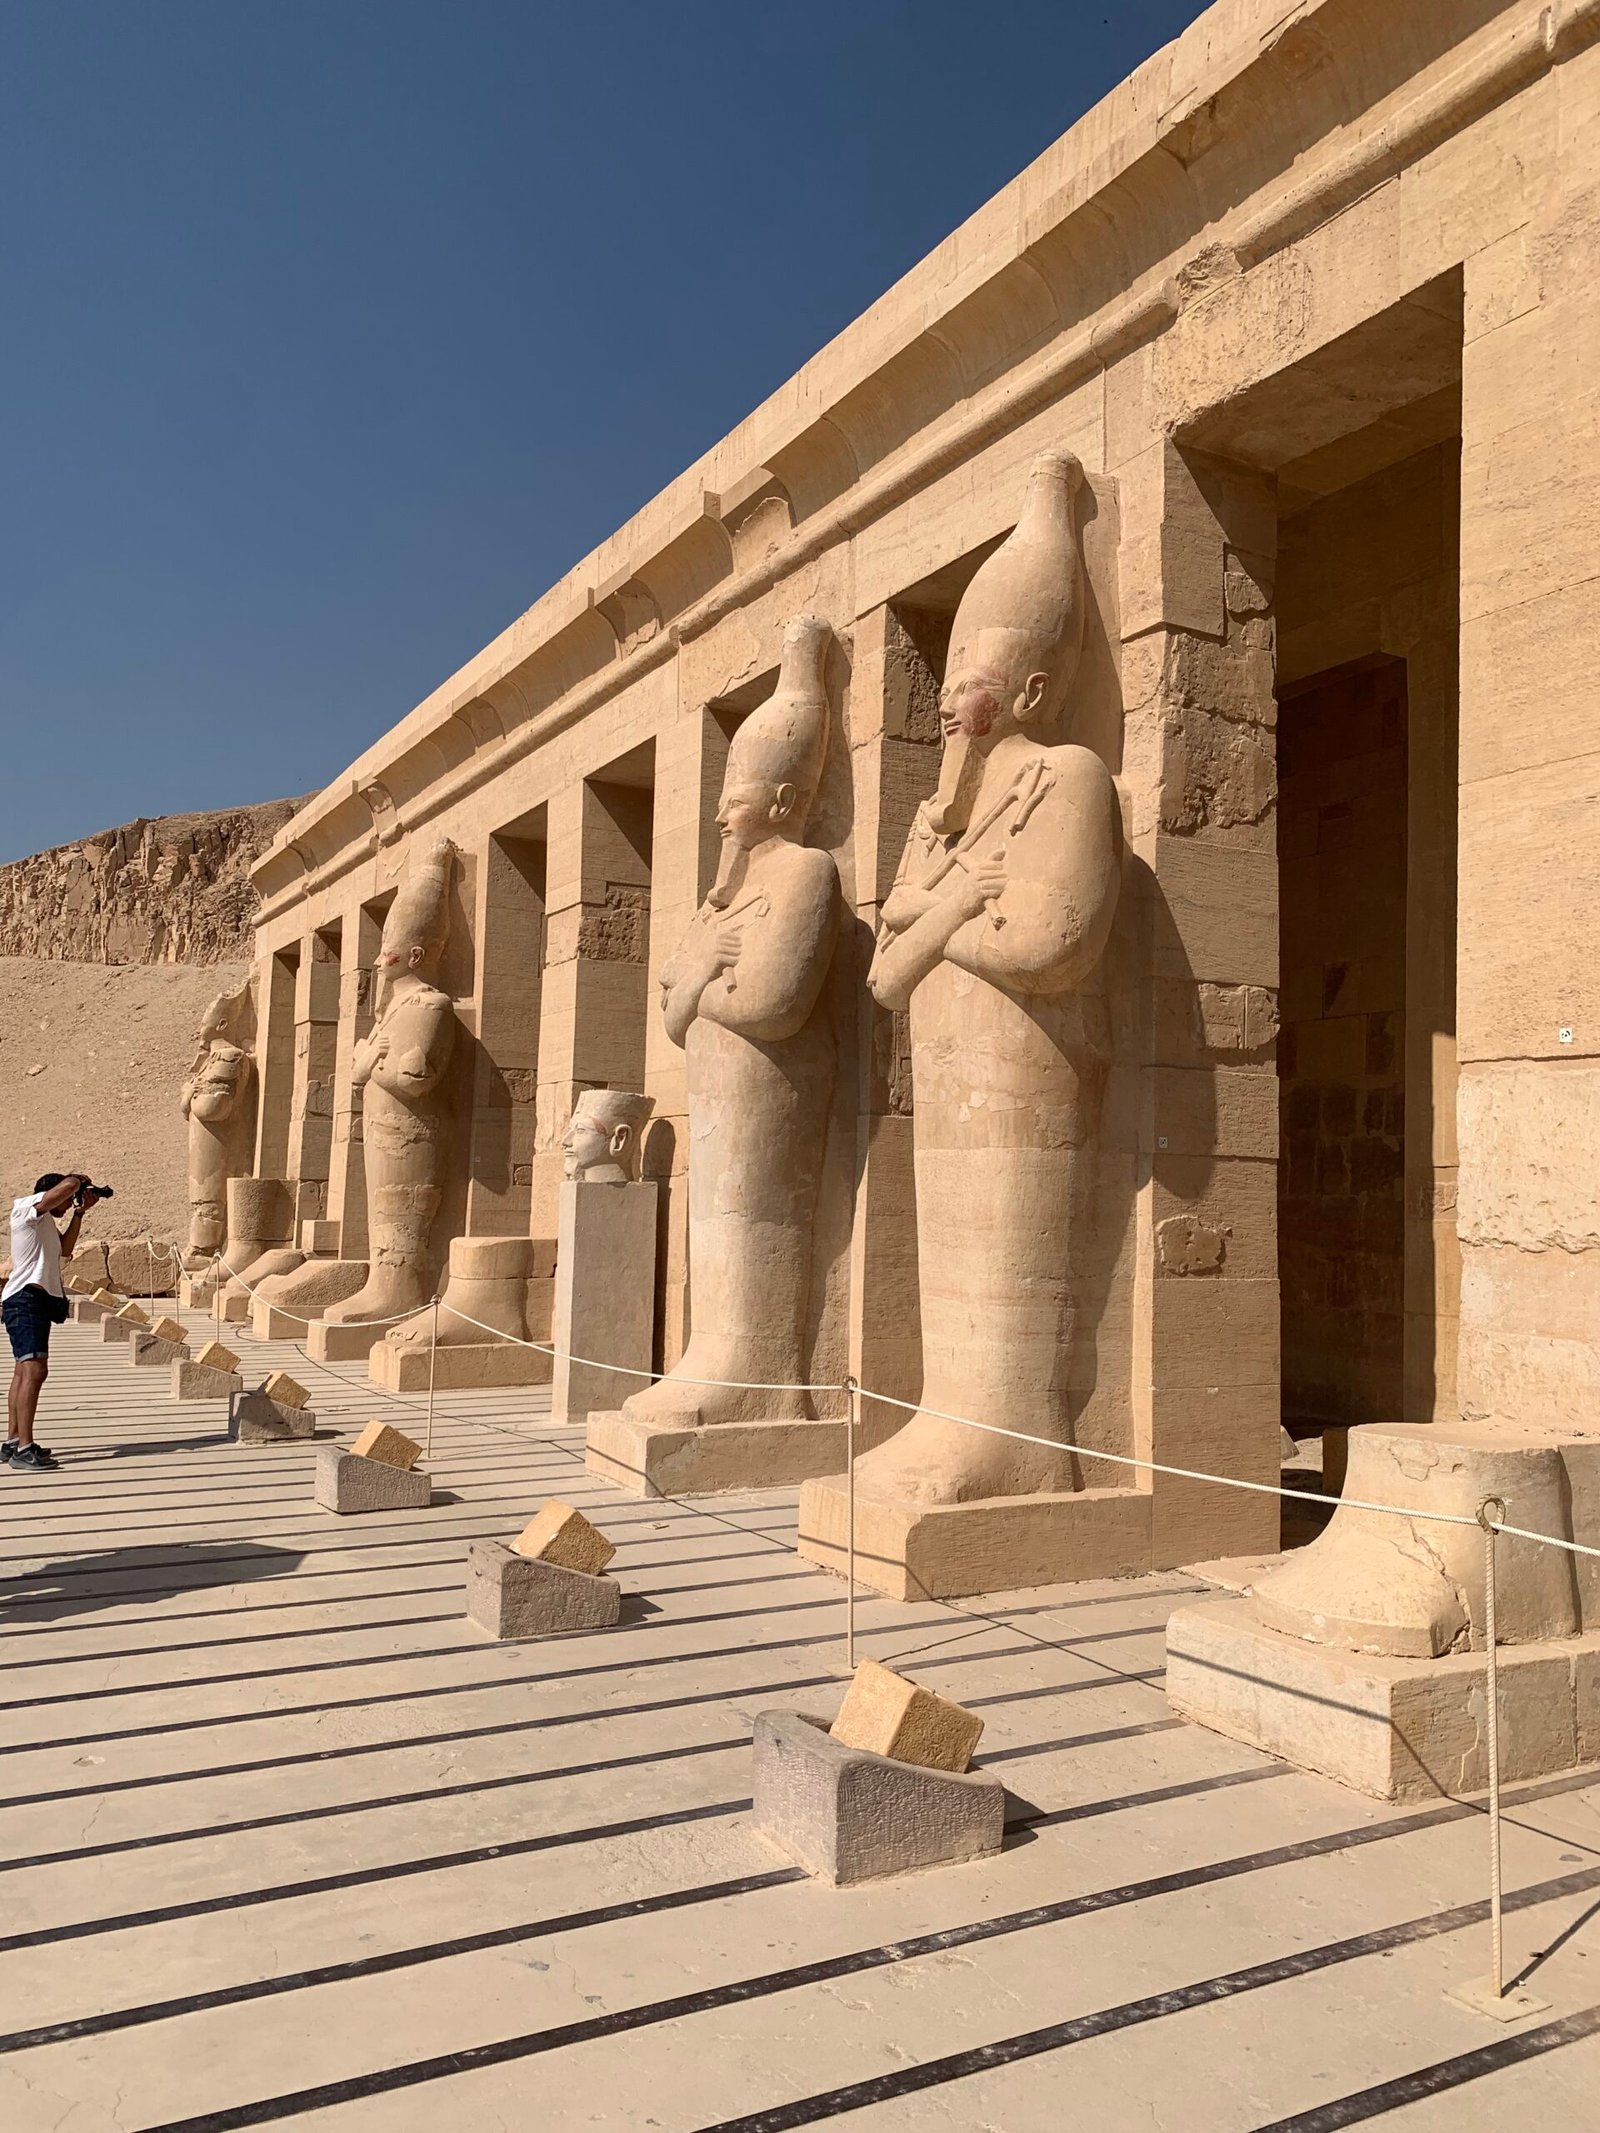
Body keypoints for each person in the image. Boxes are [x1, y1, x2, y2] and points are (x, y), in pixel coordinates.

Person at [3, 1171, 95, 1472]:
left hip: (36, 1301)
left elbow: (65, 1250)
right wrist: (78, 1180)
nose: (68, 1204)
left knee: (24, 1371)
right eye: (67, 1200)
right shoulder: (25, 1209)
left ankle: (14, 1441)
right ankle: (24, 1449)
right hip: (25, 1300)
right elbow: (67, 1186)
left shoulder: (45, 1224)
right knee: (35, 1371)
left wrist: (79, 1213)